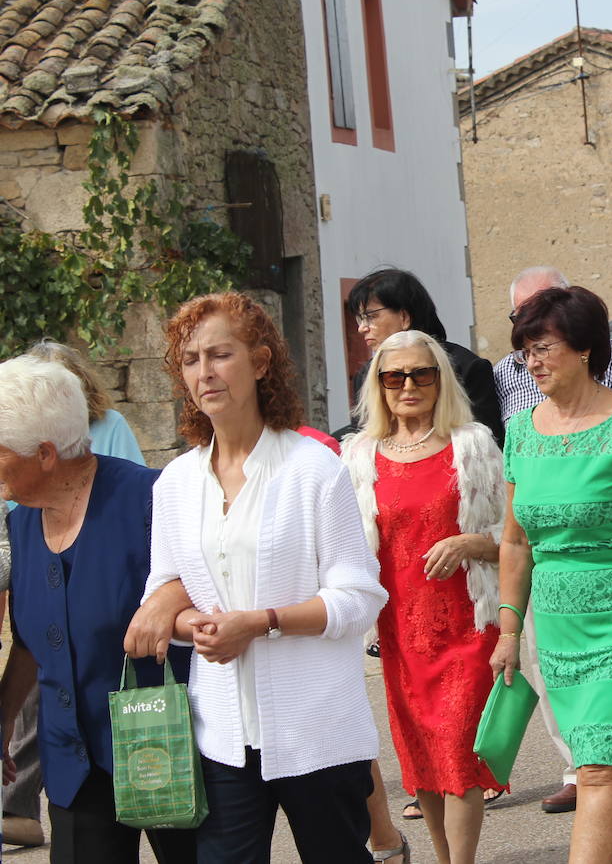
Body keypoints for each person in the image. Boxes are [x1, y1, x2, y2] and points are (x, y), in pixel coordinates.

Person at [140, 292, 388, 862]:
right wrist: (191, 624)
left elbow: (359, 599)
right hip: (222, 735)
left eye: (220, 354)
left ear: (259, 362)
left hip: (318, 731)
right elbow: (165, 590)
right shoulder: (175, 484)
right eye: (190, 359)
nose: (204, 372)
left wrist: (261, 623)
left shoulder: (313, 469)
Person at [493, 265, 612, 816]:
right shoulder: (522, 432)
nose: (531, 362)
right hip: (555, 631)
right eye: (525, 351)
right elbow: (515, 542)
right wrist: (509, 631)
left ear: (583, 349)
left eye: (543, 348)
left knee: (598, 774)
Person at [0, 356, 196, 863]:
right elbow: (30, 638)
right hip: (74, 762)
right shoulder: (22, 523)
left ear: (44, 453)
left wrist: (173, 597)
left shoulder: (151, 498)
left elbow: (213, 588)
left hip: (167, 747)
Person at [341, 330, 503, 864]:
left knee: (458, 755)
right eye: (394, 376)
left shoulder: (472, 445)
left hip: (467, 628)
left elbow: (514, 537)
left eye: (421, 374)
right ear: (379, 386)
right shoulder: (359, 458)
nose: (408, 385)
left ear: (440, 379)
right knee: (424, 766)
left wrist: (472, 542)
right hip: (400, 637)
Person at [348, 267, 503, 446]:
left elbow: (486, 446)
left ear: (404, 316)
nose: (362, 328)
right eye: (360, 319)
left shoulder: (466, 367)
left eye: (371, 316)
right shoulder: (366, 374)